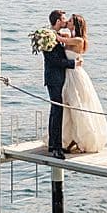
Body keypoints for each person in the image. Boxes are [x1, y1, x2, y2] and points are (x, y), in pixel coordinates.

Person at [57, 14, 107, 153]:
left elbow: (60, 39)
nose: (67, 22)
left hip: (75, 75)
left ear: (75, 25)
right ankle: (69, 138)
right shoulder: (73, 38)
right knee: (68, 106)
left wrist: (51, 32)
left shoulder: (78, 40)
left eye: (69, 21)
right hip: (70, 73)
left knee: (76, 105)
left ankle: (81, 138)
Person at [41, 9, 80, 160]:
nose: (65, 22)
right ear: (58, 21)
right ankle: (56, 148)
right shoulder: (48, 37)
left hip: (59, 77)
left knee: (55, 111)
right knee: (57, 111)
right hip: (54, 78)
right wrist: (73, 63)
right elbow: (54, 61)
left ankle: (53, 143)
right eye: (63, 19)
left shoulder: (55, 36)